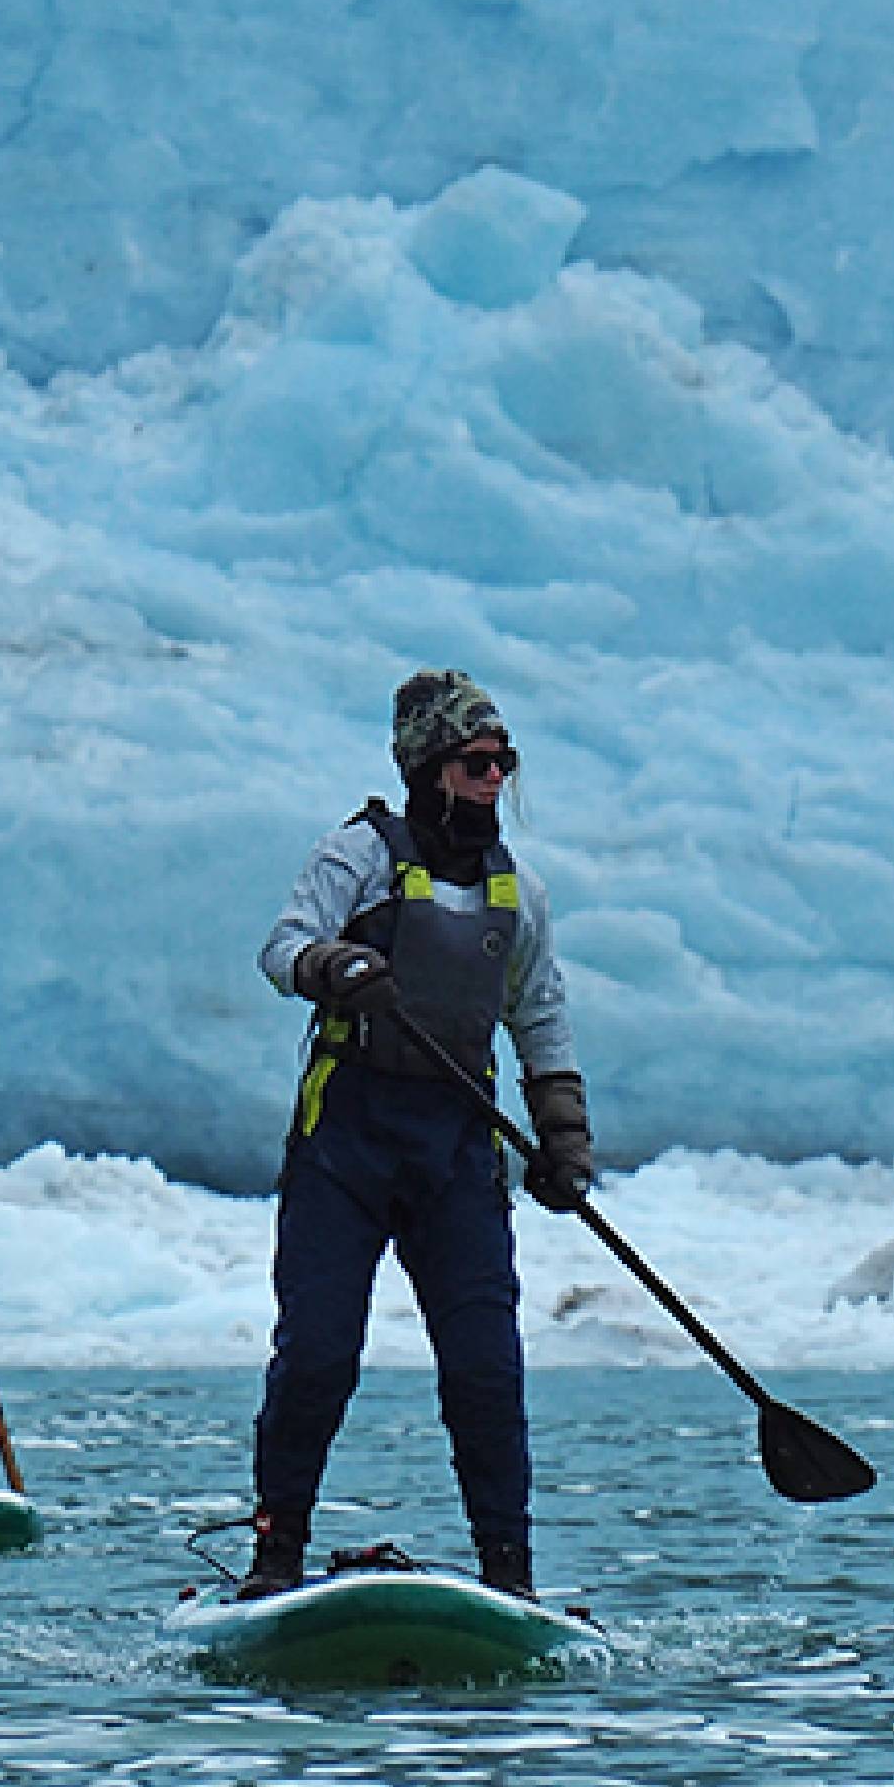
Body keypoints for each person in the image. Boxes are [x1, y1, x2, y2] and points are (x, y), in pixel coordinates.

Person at [246, 670, 595, 1599]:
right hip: (345, 1144)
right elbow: (282, 948)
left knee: (486, 1370)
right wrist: (334, 963)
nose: (491, 780)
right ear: (427, 768)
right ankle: (274, 1558)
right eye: (475, 764)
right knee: (318, 1356)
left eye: (501, 765)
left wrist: (563, 1136)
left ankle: (510, 1577)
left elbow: (541, 1016)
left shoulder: (518, 894)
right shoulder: (355, 854)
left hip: (455, 1153)